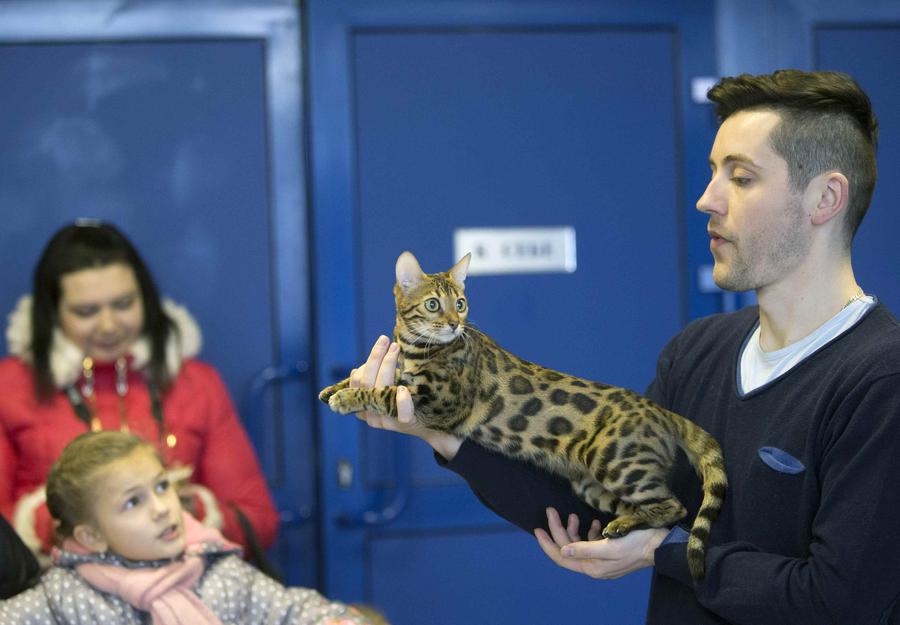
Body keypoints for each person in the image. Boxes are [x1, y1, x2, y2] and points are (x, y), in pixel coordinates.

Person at [346, 70, 900, 624]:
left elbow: (840, 601)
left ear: (825, 197)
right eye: (713, 174)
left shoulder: (880, 379)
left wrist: (665, 549)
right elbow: (591, 510)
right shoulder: (696, 352)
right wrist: (438, 431)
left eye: (742, 177)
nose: (707, 199)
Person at [0, 221, 279, 565]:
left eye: (123, 304)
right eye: (86, 311)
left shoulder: (195, 382)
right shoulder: (9, 387)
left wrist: (189, 509)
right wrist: (65, 521)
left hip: (189, 590)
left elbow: (260, 521)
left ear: (146, 299)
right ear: (52, 315)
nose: (108, 325)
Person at [0, 431, 374, 624]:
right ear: (91, 536)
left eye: (162, 486)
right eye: (133, 502)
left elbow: (290, 610)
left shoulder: (217, 572)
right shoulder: (66, 596)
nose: (163, 508)